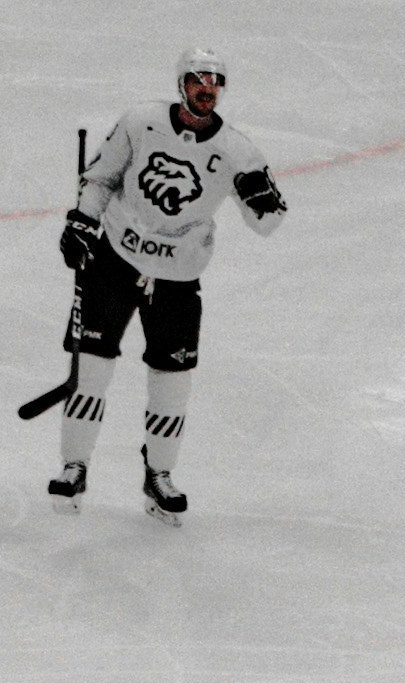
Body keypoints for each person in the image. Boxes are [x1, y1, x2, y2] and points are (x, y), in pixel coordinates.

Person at [52, 42, 287, 522]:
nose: (209, 89)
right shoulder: (141, 122)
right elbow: (100, 178)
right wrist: (81, 221)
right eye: (200, 79)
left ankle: (158, 476)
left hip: (179, 278)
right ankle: (74, 467)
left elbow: (266, 223)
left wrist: (265, 200)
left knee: (172, 385)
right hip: (113, 261)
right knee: (92, 372)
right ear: (182, 83)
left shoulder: (237, 151)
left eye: (216, 82)